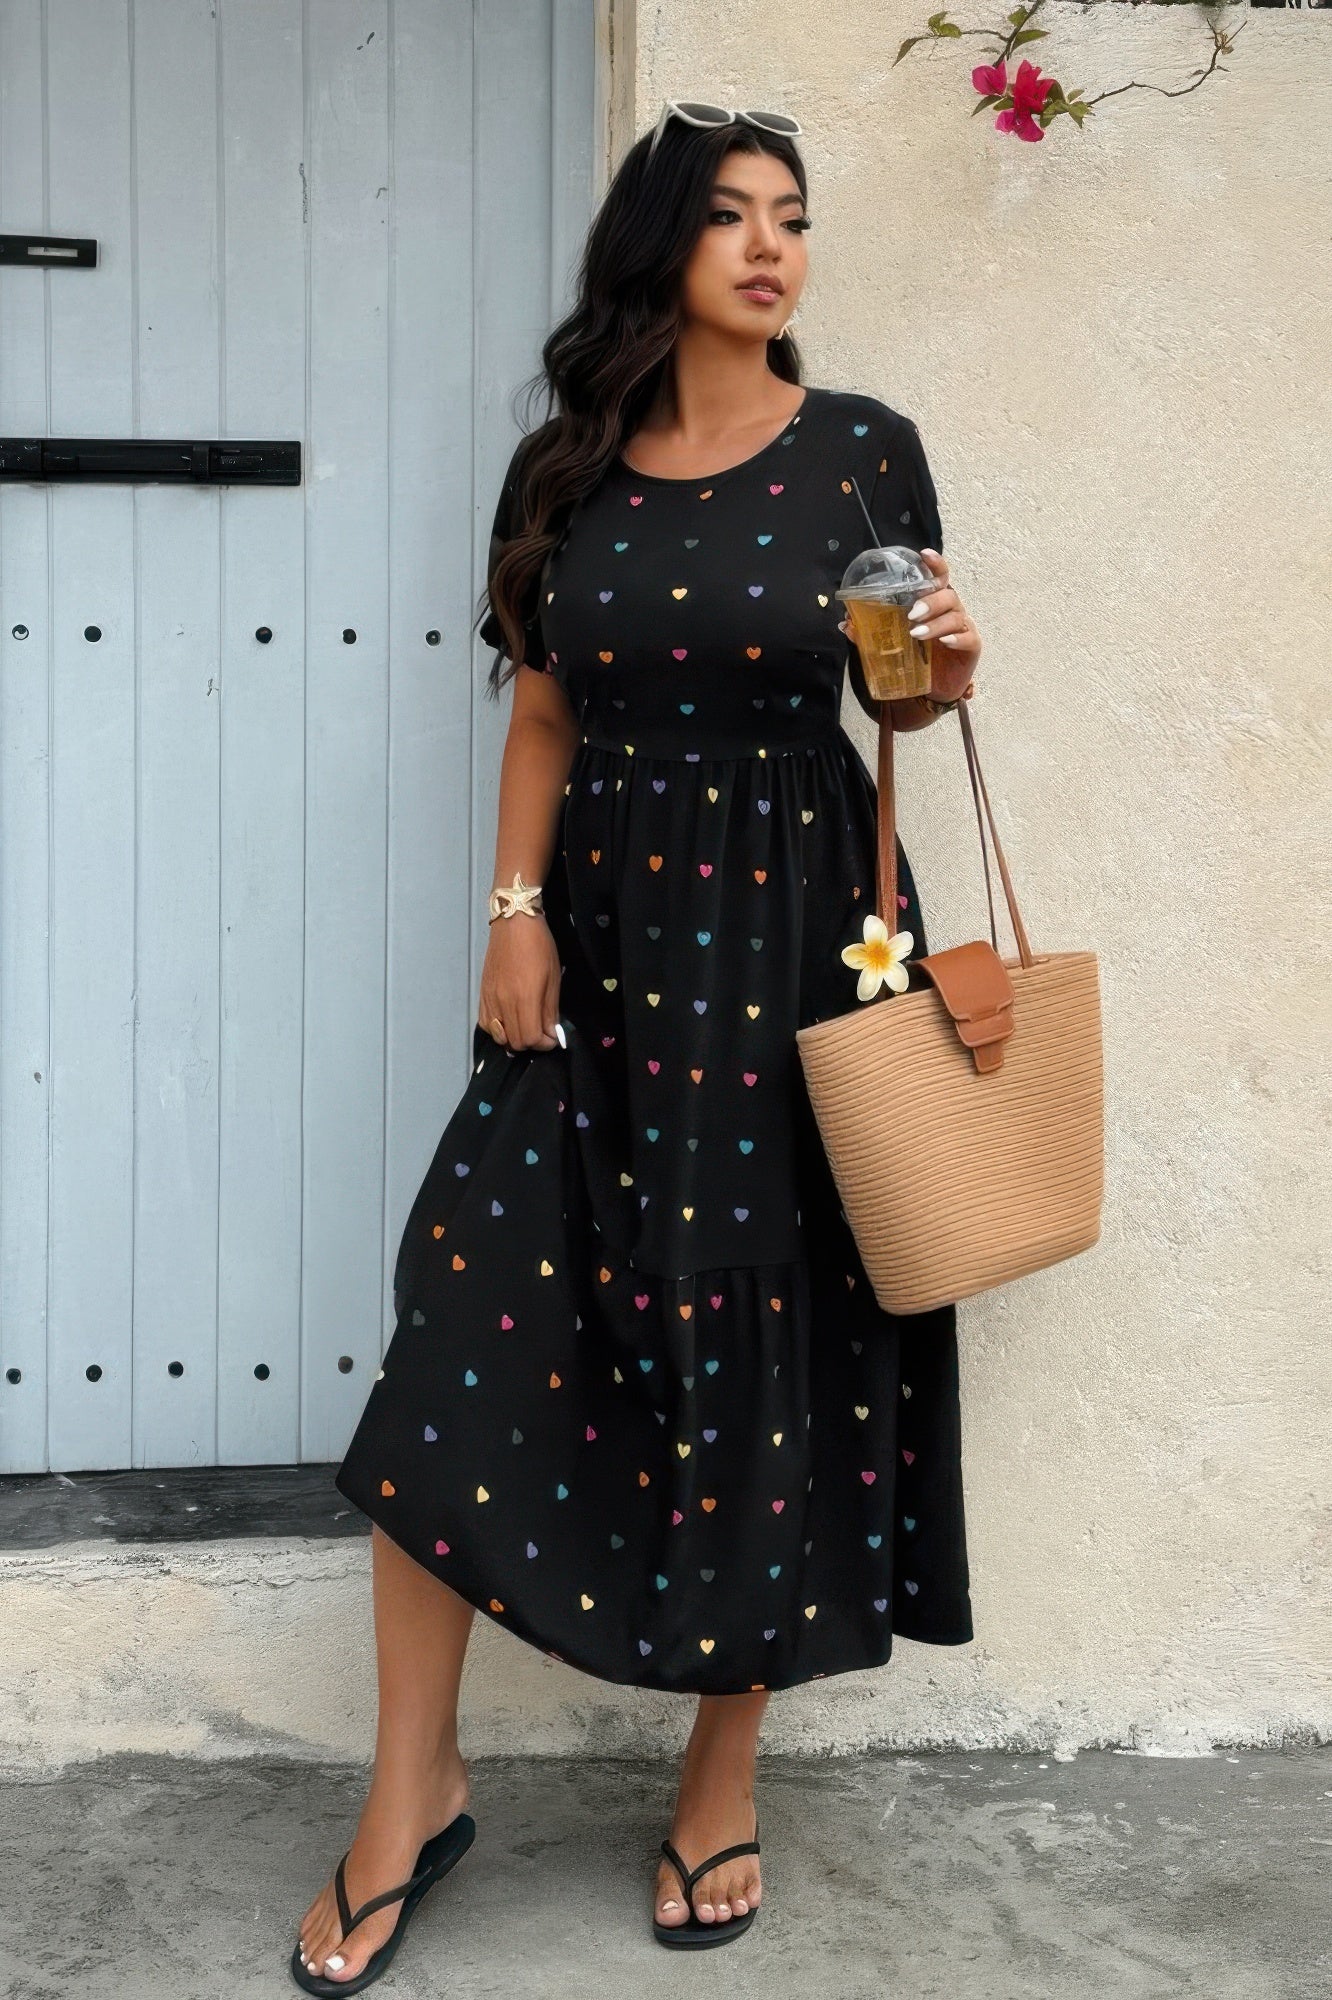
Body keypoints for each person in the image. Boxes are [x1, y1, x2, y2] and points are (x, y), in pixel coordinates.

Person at [293, 101, 984, 1991]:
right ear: (658, 246)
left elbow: (900, 695)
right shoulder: (567, 465)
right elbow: (543, 714)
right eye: (732, 216)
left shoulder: (860, 447)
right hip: (594, 952)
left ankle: (720, 1777)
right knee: (461, 1323)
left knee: (771, 1341)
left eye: (794, 219)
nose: (770, 248)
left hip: (797, 946)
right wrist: (510, 915)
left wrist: (945, 664)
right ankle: (411, 1789)